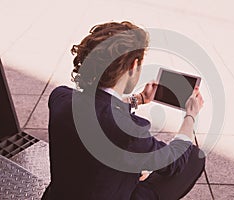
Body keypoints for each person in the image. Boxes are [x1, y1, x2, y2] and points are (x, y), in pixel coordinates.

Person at [42, 21, 205, 200]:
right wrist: (190, 115)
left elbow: (98, 108)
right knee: (193, 158)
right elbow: (175, 161)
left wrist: (138, 99)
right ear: (133, 66)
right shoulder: (127, 131)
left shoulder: (60, 98)